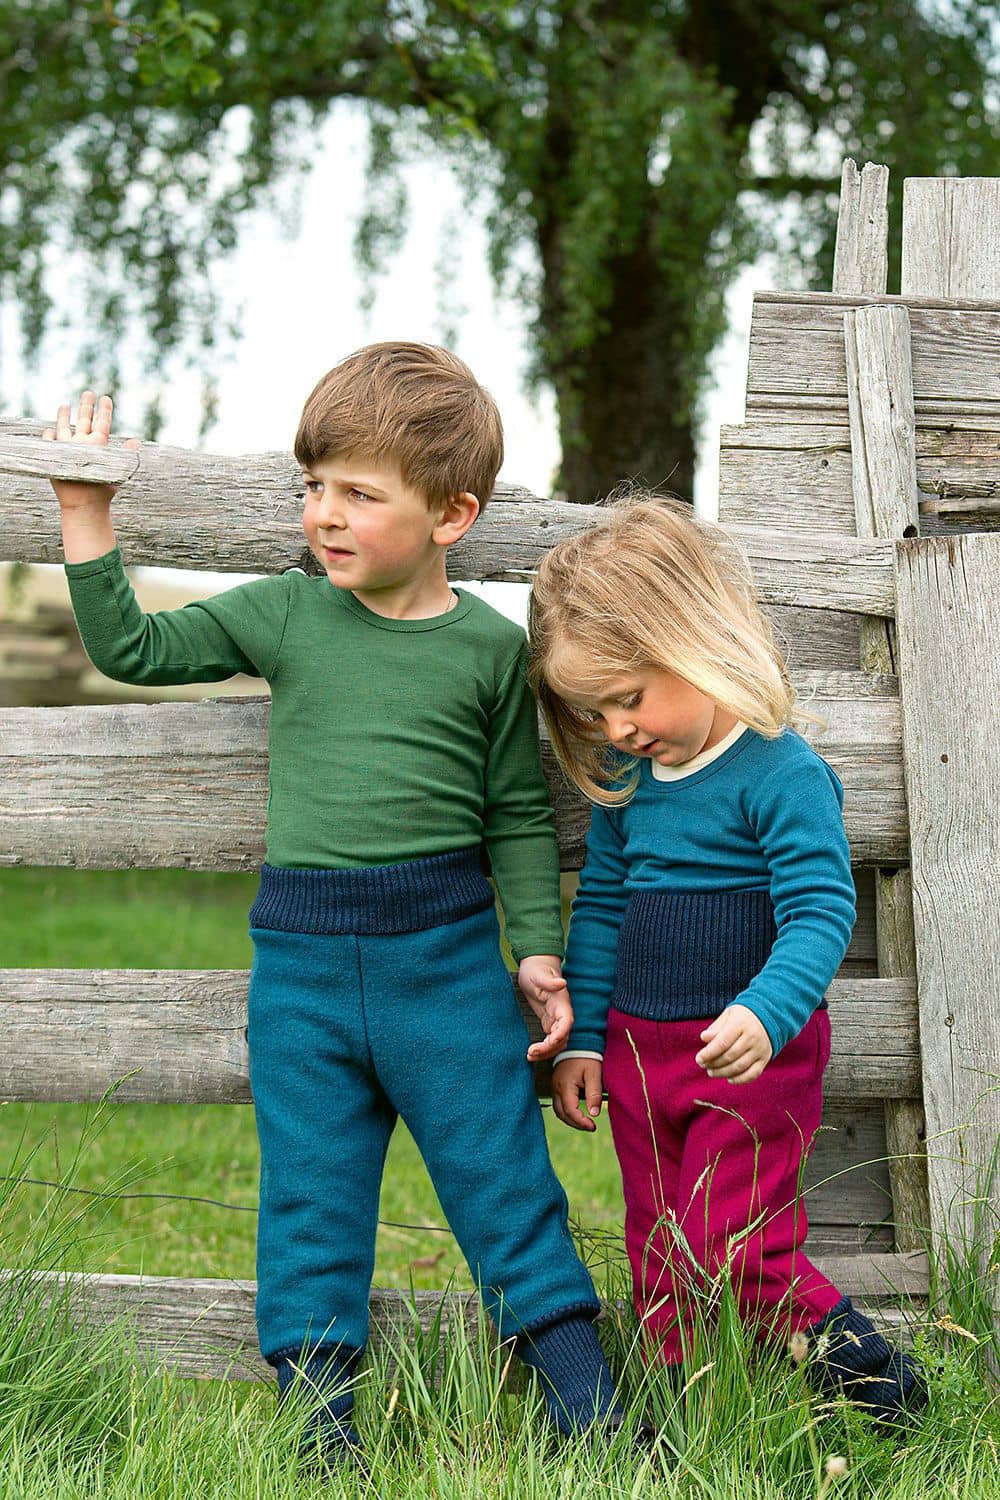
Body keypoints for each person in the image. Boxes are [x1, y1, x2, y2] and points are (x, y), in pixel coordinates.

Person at [42, 347, 629, 1467]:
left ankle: (587, 1414)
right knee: (309, 1198)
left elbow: (515, 813)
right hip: (304, 978)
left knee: (504, 1181)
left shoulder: (491, 654)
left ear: (452, 514)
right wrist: (86, 511)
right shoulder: (283, 618)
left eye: (360, 493)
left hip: (448, 973)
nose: (326, 514)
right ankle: (320, 1440)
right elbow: (132, 646)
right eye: (314, 485)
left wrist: (540, 955)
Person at [527, 493, 925, 1423]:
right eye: (597, 711)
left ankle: (872, 1373)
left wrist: (765, 1011)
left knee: (734, 1245)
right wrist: (585, 1039)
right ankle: (692, 1404)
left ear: (698, 637)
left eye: (630, 696)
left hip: (748, 1056)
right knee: (658, 1242)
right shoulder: (630, 785)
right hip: (636, 1055)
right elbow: (603, 912)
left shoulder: (780, 772)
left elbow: (823, 910)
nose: (618, 728)